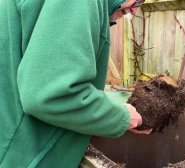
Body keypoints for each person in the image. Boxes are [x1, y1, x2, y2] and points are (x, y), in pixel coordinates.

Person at [0, 0, 150, 167]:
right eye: (138, 1)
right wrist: (121, 117)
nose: (135, 11)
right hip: (22, 157)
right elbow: (49, 95)